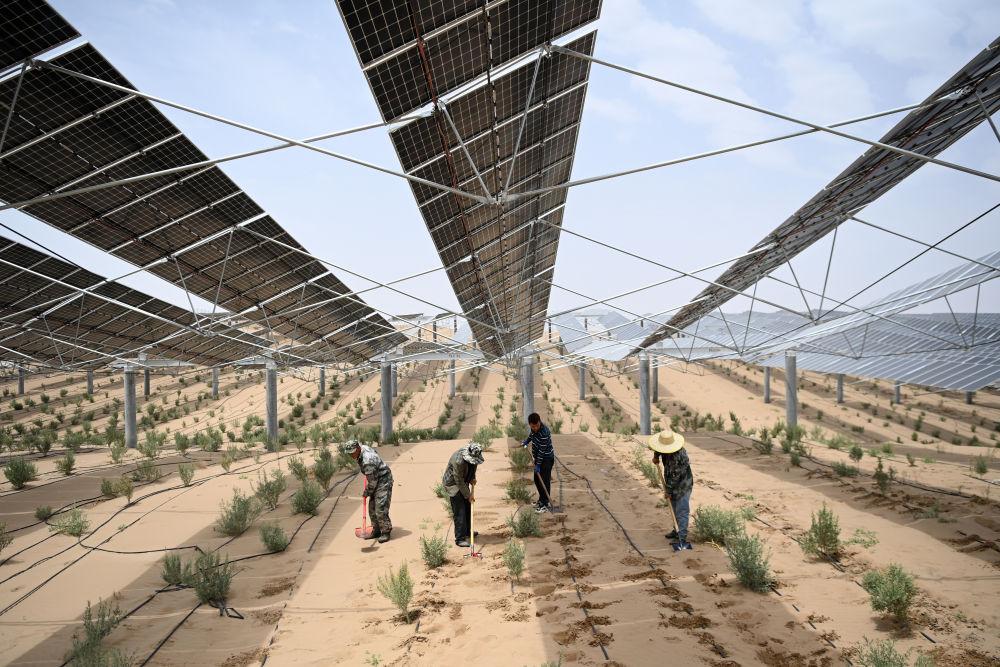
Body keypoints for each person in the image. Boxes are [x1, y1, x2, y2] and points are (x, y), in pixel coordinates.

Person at [648, 428, 693, 551]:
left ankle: (681, 537)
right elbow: (657, 449)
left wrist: (668, 491)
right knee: (673, 507)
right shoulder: (664, 448)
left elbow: (675, 477)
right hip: (671, 479)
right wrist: (656, 457)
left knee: (681, 509)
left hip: (683, 484)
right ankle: (676, 530)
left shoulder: (678, 457)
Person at [342, 439, 393, 543]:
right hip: (376, 478)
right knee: (372, 507)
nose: (351, 455)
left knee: (380, 508)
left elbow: (373, 482)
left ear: (357, 448)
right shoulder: (363, 448)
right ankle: (377, 530)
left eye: (352, 452)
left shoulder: (367, 460)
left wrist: (367, 492)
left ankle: (386, 531)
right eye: (349, 453)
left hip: (384, 480)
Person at [442, 442, 484, 548]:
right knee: (460, 511)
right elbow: (458, 480)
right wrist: (468, 495)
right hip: (453, 484)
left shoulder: (475, 454)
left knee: (468, 507)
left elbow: (473, 466)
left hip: (463, 482)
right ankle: (460, 538)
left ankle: (468, 532)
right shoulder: (458, 461)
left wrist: (472, 478)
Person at [521, 413, 554, 513]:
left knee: (544, 481)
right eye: (532, 426)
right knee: (537, 480)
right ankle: (541, 500)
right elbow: (531, 435)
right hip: (538, 459)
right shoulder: (534, 429)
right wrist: (527, 441)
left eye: (536, 426)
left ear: (539, 422)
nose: (535, 428)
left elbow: (541, 451)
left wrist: (538, 464)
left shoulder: (544, 433)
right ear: (530, 425)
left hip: (546, 459)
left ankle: (545, 503)